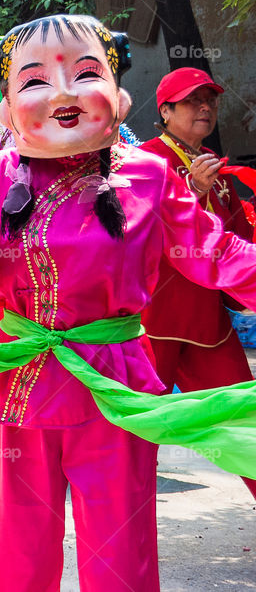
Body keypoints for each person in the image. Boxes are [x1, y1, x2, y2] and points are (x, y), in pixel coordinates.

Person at [0, 14, 256, 592]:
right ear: (5, 110)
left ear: (119, 96)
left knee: (121, 556)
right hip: (22, 383)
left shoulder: (151, 176)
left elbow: (214, 251)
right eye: (34, 81)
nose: (61, 93)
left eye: (85, 73)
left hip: (115, 388)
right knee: (16, 556)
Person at [139, 67, 256, 498]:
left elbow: (240, 244)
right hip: (151, 322)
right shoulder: (143, 161)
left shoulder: (220, 175)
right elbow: (134, 230)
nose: (204, 108)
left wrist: (208, 190)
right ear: (165, 111)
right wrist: (190, 188)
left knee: (246, 422)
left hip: (207, 323)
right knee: (135, 434)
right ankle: (119, 541)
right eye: (192, 100)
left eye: (210, 100)